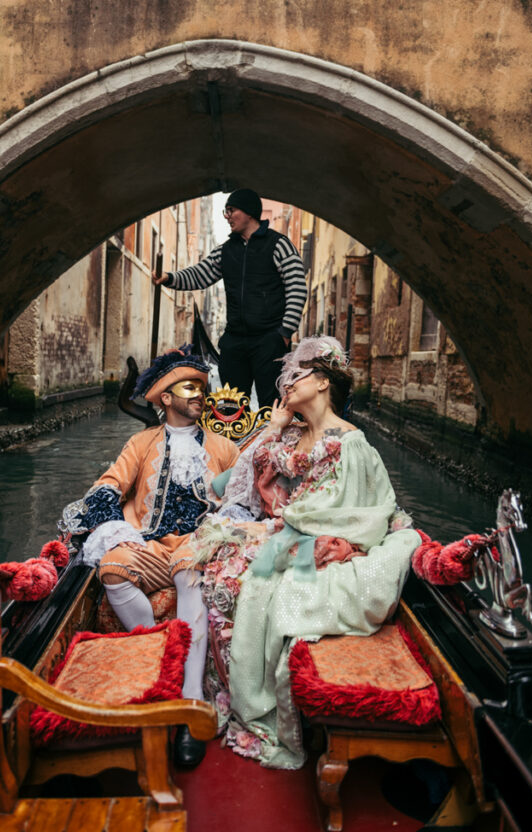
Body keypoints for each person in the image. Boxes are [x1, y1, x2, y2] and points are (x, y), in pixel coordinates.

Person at [188, 336, 421, 768]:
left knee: (246, 577)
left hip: (311, 535)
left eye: (294, 377)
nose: (285, 385)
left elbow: (348, 507)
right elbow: (241, 478)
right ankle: (221, 692)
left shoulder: (350, 441)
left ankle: (252, 700)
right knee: (218, 567)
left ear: (321, 381)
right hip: (287, 529)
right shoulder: (294, 434)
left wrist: (297, 525)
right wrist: (275, 427)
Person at [61, 346, 240, 768]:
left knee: (189, 572)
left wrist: (222, 525)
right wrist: (118, 530)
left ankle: (189, 703)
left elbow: (242, 498)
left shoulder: (224, 447)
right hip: (148, 543)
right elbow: (107, 485)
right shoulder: (141, 443)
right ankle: (167, 668)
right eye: (189, 388)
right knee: (112, 568)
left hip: (198, 544)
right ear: (164, 397)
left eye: (202, 387)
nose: (200, 395)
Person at [152, 189, 307, 408]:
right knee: (231, 406)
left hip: (269, 339)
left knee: (271, 404)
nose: (227, 216)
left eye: (231, 210)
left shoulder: (279, 245)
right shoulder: (225, 251)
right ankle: (233, 442)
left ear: (249, 212)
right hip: (235, 339)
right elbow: (199, 275)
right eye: (226, 210)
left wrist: (284, 333)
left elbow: (297, 287)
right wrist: (169, 278)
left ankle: (270, 442)